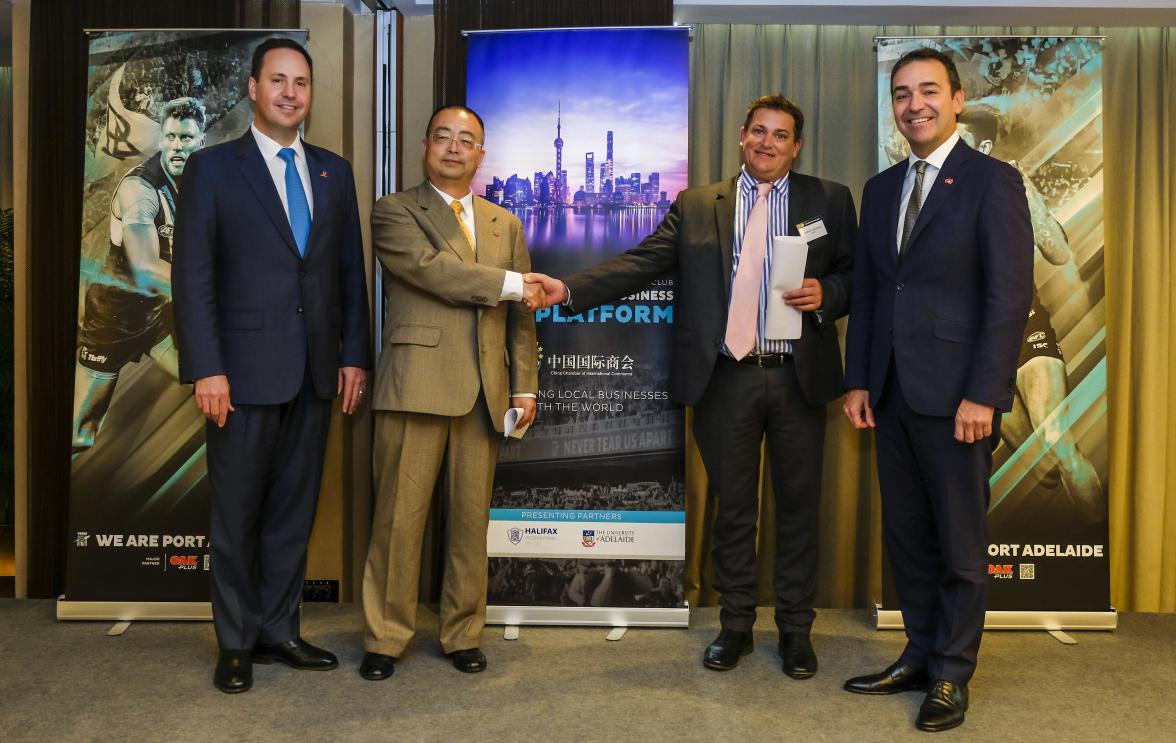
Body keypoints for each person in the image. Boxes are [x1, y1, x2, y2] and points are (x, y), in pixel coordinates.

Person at [526, 95, 856, 677]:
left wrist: (829, 295)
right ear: (741, 134)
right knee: (734, 511)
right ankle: (735, 628)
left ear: (796, 146)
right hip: (725, 379)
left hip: (796, 379)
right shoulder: (699, 204)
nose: (768, 143)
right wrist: (568, 290)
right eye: (759, 131)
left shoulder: (827, 199)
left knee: (799, 510)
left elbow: (856, 276)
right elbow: (642, 261)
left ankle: (797, 631)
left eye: (781, 135)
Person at [842, 48, 1033, 732]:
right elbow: (869, 292)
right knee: (909, 538)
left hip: (959, 399)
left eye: (928, 91)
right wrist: (860, 378)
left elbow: (1009, 296)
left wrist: (985, 392)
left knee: (959, 543)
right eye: (901, 93)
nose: (914, 104)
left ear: (956, 99)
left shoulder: (993, 180)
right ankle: (919, 651)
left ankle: (952, 671)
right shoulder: (881, 187)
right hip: (890, 394)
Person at [172, 38, 371, 694]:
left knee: (293, 509)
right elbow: (193, 277)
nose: (291, 92)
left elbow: (347, 275)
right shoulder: (211, 169)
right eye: (278, 80)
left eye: (302, 82)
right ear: (253, 89)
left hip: (316, 371)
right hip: (240, 374)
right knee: (237, 513)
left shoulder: (332, 173)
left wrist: (352, 356)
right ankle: (234, 642)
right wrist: (207, 367)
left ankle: (278, 629)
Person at [359, 105, 541, 680]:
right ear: (425, 145)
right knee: (398, 521)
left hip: (486, 393)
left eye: (468, 140)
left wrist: (525, 387)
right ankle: (385, 638)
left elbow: (521, 320)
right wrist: (514, 282)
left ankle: (463, 632)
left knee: (469, 523)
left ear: (482, 154)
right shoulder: (395, 211)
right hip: (417, 384)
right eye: (445, 137)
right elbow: (431, 271)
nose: (455, 148)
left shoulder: (503, 223)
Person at [956, 105, 1104, 521]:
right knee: (1042, 463)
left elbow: (1058, 254)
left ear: (984, 146)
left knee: (1056, 436)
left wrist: (1028, 200)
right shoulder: (934, 192)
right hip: (975, 345)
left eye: (959, 139)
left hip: (1025, 328)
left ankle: (1097, 547)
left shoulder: (1010, 183)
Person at [72, 97, 206, 453]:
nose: (177, 146)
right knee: (79, 436)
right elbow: (147, 270)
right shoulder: (140, 190)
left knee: (220, 382)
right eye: (171, 137)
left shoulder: (203, 183)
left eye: (186, 138)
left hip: (159, 316)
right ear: (161, 139)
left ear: (201, 142)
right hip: (112, 321)